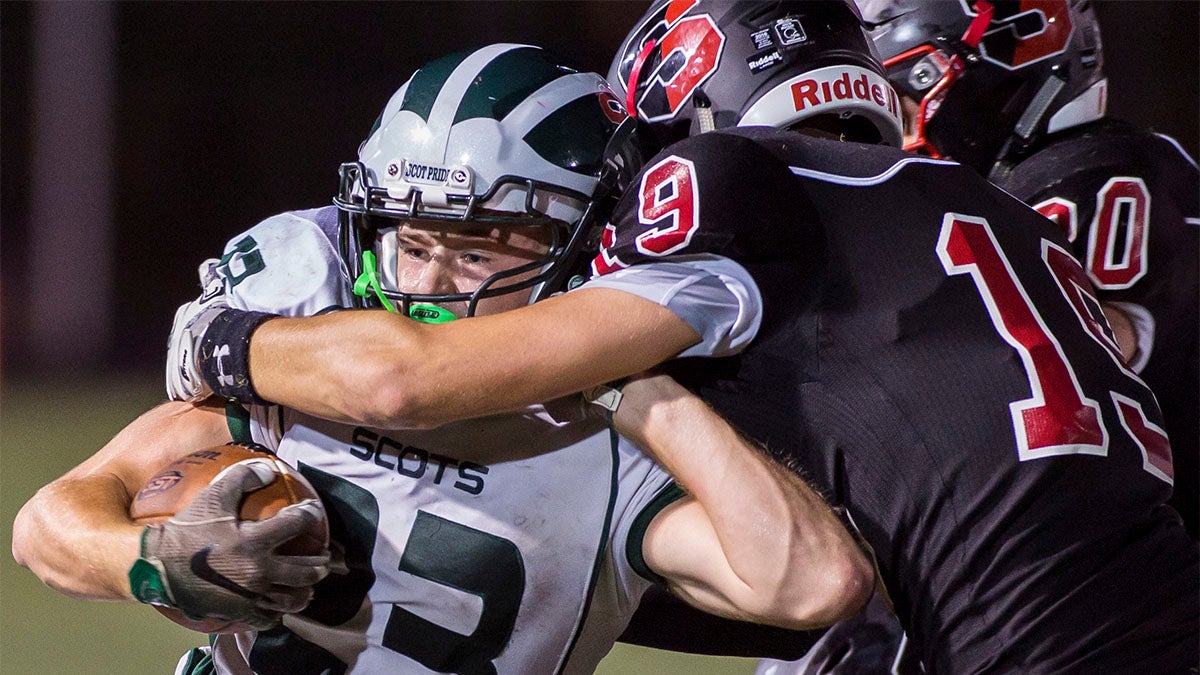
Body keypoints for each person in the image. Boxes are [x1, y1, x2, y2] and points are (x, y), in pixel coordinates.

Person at [164, 2, 1199, 671]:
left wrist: (223, 339)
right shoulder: (958, 203)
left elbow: (410, 381)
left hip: (1014, 634)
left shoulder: (727, 186)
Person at [13, 45, 875, 674]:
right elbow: (47, 524)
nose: (429, 284)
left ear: (585, 246)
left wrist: (632, 380)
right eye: (413, 240)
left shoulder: (619, 448)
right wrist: (152, 559)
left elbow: (811, 582)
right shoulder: (311, 352)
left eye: (482, 249)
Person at [860, 0, 1199, 538]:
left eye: (904, 104)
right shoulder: (1124, 161)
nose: (895, 137)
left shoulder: (1081, 181)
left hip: (1137, 568)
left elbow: (1037, 370)